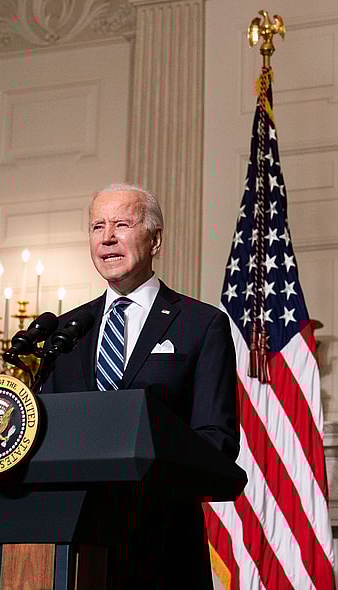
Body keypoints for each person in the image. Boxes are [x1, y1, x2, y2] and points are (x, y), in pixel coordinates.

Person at [40, 183, 239, 588]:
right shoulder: (66, 331)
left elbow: (216, 439)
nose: (107, 238)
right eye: (97, 227)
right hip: (74, 546)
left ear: (156, 239)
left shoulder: (200, 325)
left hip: (162, 543)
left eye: (122, 224)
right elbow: (46, 431)